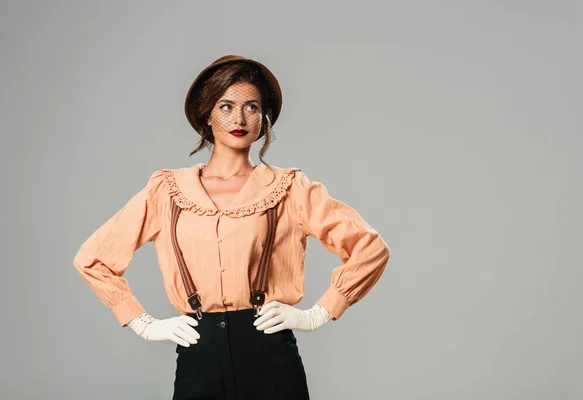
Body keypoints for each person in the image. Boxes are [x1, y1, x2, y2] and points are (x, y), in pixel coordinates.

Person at [72, 54, 390, 400]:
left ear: (264, 118)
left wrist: (318, 314)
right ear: (206, 114)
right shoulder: (167, 191)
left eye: (251, 107)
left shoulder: (289, 188)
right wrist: (143, 323)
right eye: (225, 106)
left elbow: (369, 248)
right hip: (199, 351)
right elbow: (93, 259)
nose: (239, 118)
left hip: (268, 350)